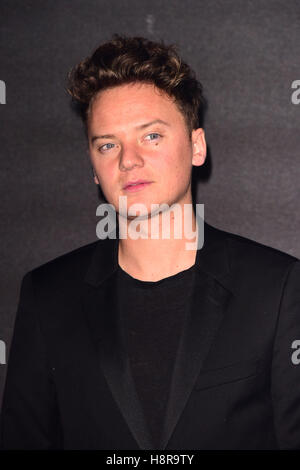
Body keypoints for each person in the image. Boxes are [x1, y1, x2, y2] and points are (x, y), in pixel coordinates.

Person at [1, 34, 300, 450]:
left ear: (196, 146)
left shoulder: (276, 287)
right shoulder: (47, 295)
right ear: (93, 168)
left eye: (151, 136)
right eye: (108, 144)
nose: (128, 160)